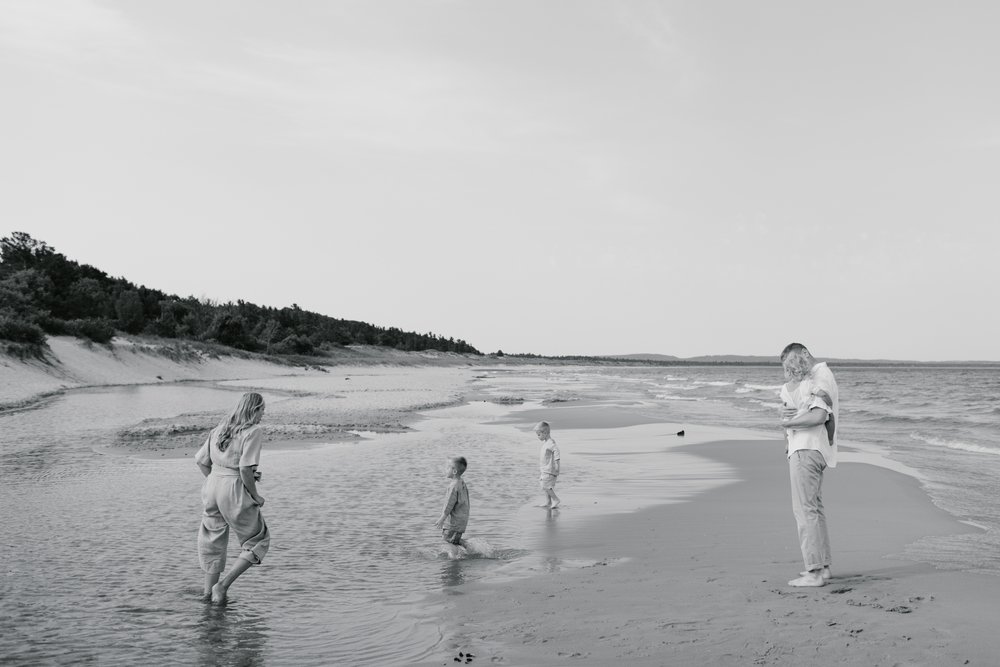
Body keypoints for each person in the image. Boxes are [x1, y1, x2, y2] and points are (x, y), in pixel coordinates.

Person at [195, 392, 271, 602]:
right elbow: (245, 469)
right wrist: (255, 495)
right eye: (262, 410)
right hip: (233, 489)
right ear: (254, 410)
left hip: (212, 486)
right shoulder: (253, 431)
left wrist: (216, 480)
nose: (263, 415)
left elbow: (201, 461)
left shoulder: (219, 429)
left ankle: (208, 594)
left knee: (212, 541)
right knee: (258, 541)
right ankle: (223, 586)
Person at [779, 343, 839, 587]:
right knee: (813, 508)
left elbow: (820, 415)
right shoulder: (812, 380)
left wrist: (787, 423)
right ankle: (822, 568)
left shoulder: (819, 375)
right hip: (813, 448)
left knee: (804, 511)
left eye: (791, 364)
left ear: (804, 354)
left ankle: (814, 571)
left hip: (806, 449)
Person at [433, 456, 470, 559]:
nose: (445, 470)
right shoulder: (462, 483)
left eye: (447, 468)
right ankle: (470, 548)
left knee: (448, 541)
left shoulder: (453, 486)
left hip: (453, 523)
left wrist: (442, 518)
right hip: (461, 521)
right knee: (455, 541)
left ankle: (453, 560)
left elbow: (449, 504)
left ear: (454, 471)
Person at [534, 421, 561, 509]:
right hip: (545, 469)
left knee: (545, 485)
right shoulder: (546, 443)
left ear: (545, 433)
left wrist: (557, 464)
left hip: (549, 470)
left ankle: (555, 499)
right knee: (544, 485)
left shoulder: (550, 443)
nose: (538, 437)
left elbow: (556, 451)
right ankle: (548, 502)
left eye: (538, 435)